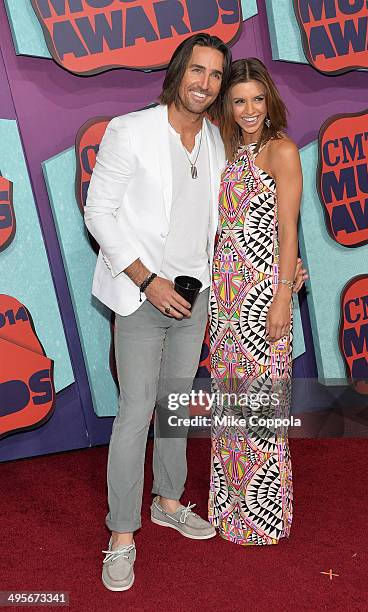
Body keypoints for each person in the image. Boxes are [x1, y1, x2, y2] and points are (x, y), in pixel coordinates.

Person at [84, 33, 233, 592]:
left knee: (177, 407)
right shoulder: (131, 130)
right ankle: (121, 534)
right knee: (137, 411)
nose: (206, 83)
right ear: (178, 72)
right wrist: (148, 280)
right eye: (198, 70)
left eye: (216, 75)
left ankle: (169, 500)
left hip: (196, 298)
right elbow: (98, 212)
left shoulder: (217, 140)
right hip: (142, 295)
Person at [208, 58, 303, 545]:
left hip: (262, 296)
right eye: (239, 100)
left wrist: (283, 295)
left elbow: (288, 230)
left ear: (270, 102)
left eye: (257, 99)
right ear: (228, 103)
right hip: (224, 301)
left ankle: (263, 517)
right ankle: (229, 514)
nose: (248, 109)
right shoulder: (226, 151)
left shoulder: (280, 150)